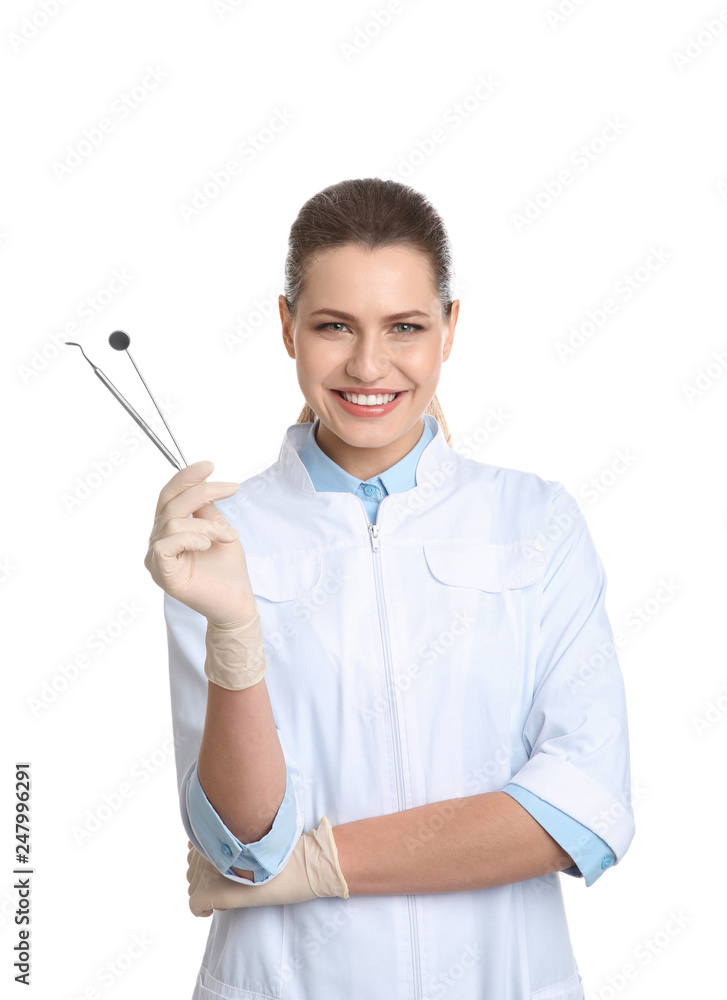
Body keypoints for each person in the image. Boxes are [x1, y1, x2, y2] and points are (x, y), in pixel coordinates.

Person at [144, 178, 635, 1000]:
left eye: (404, 327)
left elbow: (582, 808)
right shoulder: (220, 540)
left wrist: (316, 865)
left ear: (449, 328)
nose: (368, 366)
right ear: (286, 327)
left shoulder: (533, 521)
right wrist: (233, 631)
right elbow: (243, 846)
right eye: (333, 326)